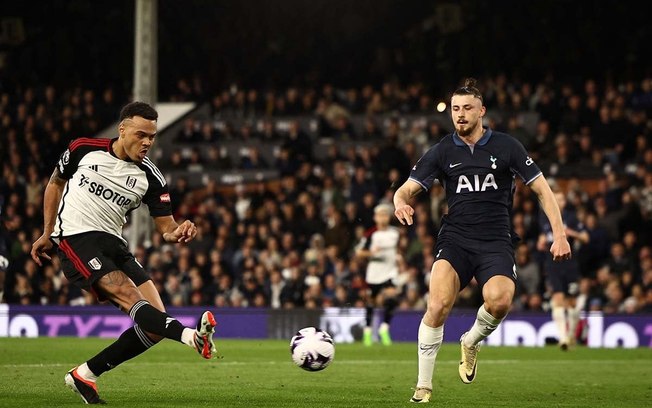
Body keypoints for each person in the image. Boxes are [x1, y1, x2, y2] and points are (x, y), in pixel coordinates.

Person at [392, 78, 571, 403]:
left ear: (482, 111)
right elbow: (406, 188)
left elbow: (543, 190)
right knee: (437, 305)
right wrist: (400, 202)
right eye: (456, 109)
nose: (460, 115)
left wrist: (559, 234)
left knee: (500, 300)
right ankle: (423, 385)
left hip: (495, 240)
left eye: (467, 109)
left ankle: (471, 341)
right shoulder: (443, 150)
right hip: (456, 239)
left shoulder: (507, 146)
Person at [30, 101, 218, 405]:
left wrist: (176, 231)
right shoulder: (83, 148)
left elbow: (165, 227)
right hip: (77, 238)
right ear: (123, 129)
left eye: (152, 137)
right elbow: (55, 183)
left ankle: (85, 375)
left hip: (115, 245)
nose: (147, 142)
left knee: (154, 325)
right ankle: (191, 338)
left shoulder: (151, 178)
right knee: (132, 299)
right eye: (141, 134)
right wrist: (48, 231)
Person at [537, 190, 589, 350]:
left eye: (561, 199)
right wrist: (542, 242)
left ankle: (572, 334)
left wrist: (571, 233)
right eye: (555, 199)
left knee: (572, 302)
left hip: (570, 265)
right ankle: (563, 337)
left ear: (565, 202)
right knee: (558, 299)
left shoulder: (571, 218)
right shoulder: (545, 218)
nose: (558, 201)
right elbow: (540, 243)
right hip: (553, 266)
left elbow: (586, 238)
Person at [354, 203, 400, 346]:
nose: (383, 218)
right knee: (370, 303)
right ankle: (367, 332)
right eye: (380, 215)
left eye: (385, 215)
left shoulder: (395, 233)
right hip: (374, 273)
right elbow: (359, 252)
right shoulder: (371, 234)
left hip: (390, 272)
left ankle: (384, 328)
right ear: (375, 217)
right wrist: (371, 253)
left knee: (392, 298)